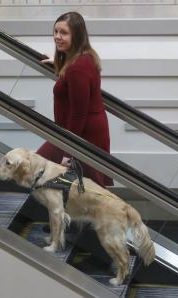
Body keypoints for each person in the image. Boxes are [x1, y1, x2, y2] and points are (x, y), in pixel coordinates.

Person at [37, 11, 113, 187]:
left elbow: (79, 114)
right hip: (79, 134)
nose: (57, 37)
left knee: (38, 171)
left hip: (82, 136)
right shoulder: (82, 58)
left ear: (76, 36)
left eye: (63, 33)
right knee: (84, 190)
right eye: (55, 32)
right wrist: (57, 62)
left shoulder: (78, 68)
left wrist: (69, 152)